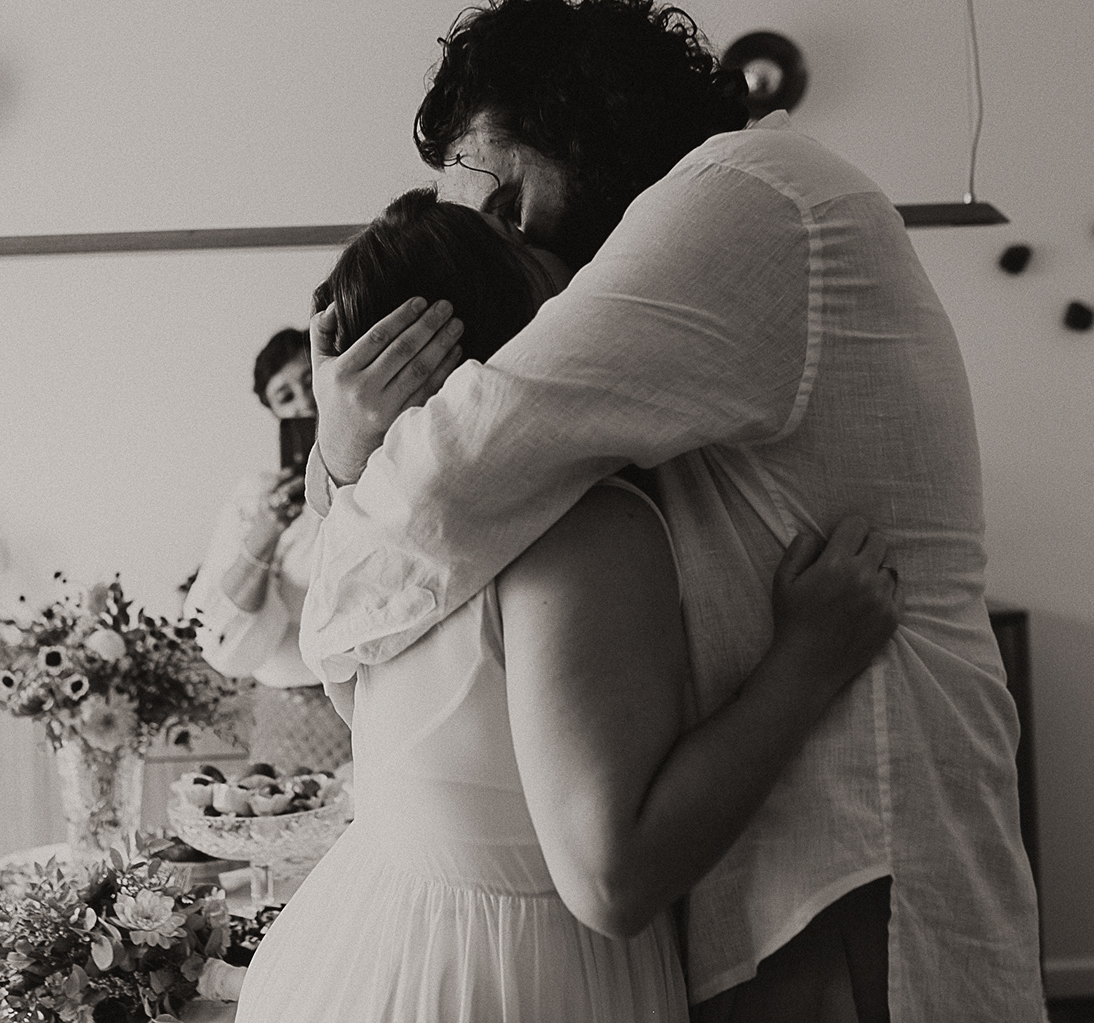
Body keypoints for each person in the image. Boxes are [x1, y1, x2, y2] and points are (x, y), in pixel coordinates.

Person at [300, 0, 1046, 1020]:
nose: (507, 229)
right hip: (769, 844)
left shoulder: (748, 193)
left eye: (496, 194)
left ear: (563, 122)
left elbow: (458, 465)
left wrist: (342, 460)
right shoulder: (712, 239)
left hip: (850, 833)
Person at [235, 190, 901, 1022]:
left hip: (367, 946)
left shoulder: (375, 520)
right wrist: (808, 663)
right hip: (511, 979)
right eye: (513, 241)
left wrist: (341, 455)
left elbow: (350, 690)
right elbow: (615, 880)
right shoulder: (581, 528)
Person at [184, 328, 352, 772]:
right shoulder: (256, 498)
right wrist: (269, 530)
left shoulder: (381, 470)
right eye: (285, 396)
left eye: (310, 381)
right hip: (290, 716)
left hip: (378, 698)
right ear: (275, 413)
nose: (305, 401)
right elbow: (218, 631)